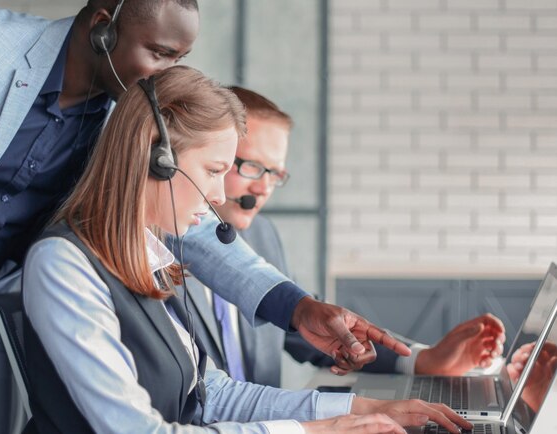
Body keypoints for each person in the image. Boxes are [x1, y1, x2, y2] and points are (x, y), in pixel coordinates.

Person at [0, 2, 414, 432]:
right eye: (159, 53)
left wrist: (297, 308)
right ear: (103, 28)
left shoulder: (129, 125)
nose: (162, 74)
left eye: (177, 60)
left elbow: (194, 217)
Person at [23, 65, 471, 434]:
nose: (220, 194)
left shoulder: (149, 256)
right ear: (156, 158)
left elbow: (212, 394)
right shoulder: (63, 264)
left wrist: (359, 410)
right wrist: (316, 431)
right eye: (215, 169)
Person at [182, 86, 507, 386]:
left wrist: (422, 359)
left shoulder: (263, 235)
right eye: (251, 166)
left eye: (275, 174)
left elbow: (303, 330)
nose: (263, 188)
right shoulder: (163, 243)